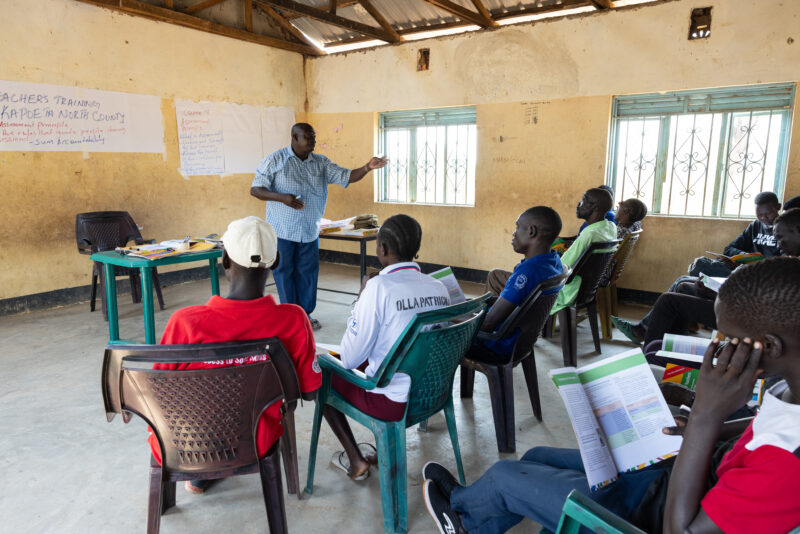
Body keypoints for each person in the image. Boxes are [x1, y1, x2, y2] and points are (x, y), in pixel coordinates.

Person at [422, 257, 800, 534]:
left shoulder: (788, 466)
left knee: (506, 476)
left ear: (768, 346)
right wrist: (712, 430)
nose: (718, 345)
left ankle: (460, 515)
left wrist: (706, 419)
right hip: (675, 477)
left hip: (650, 512)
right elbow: (760, 425)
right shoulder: (788, 387)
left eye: (727, 337)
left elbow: (678, 530)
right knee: (536, 456)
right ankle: (471, 522)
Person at [146, 216, 320, 494]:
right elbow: (309, 392)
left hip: (185, 442)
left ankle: (202, 472)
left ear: (224, 259)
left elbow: (156, 392)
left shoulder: (185, 322)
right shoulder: (294, 320)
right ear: (276, 262)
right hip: (256, 442)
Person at [322, 214, 450, 481]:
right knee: (382, 354)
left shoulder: (378, 287)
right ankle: (375, 452)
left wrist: (360, 299)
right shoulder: (438, 286)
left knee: (323, 373)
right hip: (433, 393)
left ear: (382, 249)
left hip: (392, 403)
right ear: (416, 249)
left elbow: (348, 358)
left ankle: (356, 461)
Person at [250, 123, 388, 330]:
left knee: (308, 273)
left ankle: (305, 315)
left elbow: (346, 176)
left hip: (309, 231)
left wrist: (367, 167)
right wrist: (281, 198)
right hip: (283, 231)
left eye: (314, 137)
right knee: (285, 272)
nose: (313, 141)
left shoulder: (321, 163)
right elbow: (256, 190)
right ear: (294, 138)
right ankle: (290, 316)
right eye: (308, 137)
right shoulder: (275, 160)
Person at [471, 206, 563, 362]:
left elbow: (488, 325)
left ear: (531, 231)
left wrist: (452, 318)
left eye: (518, 227)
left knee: (439, 330)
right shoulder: (553, 261)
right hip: (522, 342)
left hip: (499, 345)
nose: (514, 233)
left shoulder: (528, 272)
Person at [551, 188, 617, 314]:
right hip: (588, 289)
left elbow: (562, 267)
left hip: (567, 291)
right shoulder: (610, 227)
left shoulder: (589, 235)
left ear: (595, 207)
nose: (578, 205)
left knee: (526, 276)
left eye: (582, 201)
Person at [688, 191, 781, 277]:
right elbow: (729, 249)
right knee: (699, 263)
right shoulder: (755, 226)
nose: (764, 218)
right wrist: (745, 256)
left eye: (768, 213)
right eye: (759, 215)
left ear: (778, 207)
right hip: (742, 268)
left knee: (700, 268)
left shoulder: (784, 228)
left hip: (763, 274)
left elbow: (785, 262)